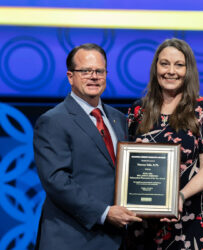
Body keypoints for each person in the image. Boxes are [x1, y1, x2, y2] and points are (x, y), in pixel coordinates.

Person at [33, 43, 142, 250]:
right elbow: (56, 180)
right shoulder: (53, 120)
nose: (94, 76)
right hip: (72, 238)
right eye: (85, 71)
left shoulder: (120, 119)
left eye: (99, 71)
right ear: (70, 76)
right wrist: (104, 213)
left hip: (116, 239)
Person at [127, 38, 203, 249]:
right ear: (156, 68)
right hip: (146, 227)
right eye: (164, 64)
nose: (171, 71)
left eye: (179, 65)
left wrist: (179, 197)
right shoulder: (137, 111)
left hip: (195, 225)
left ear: (188, 70)